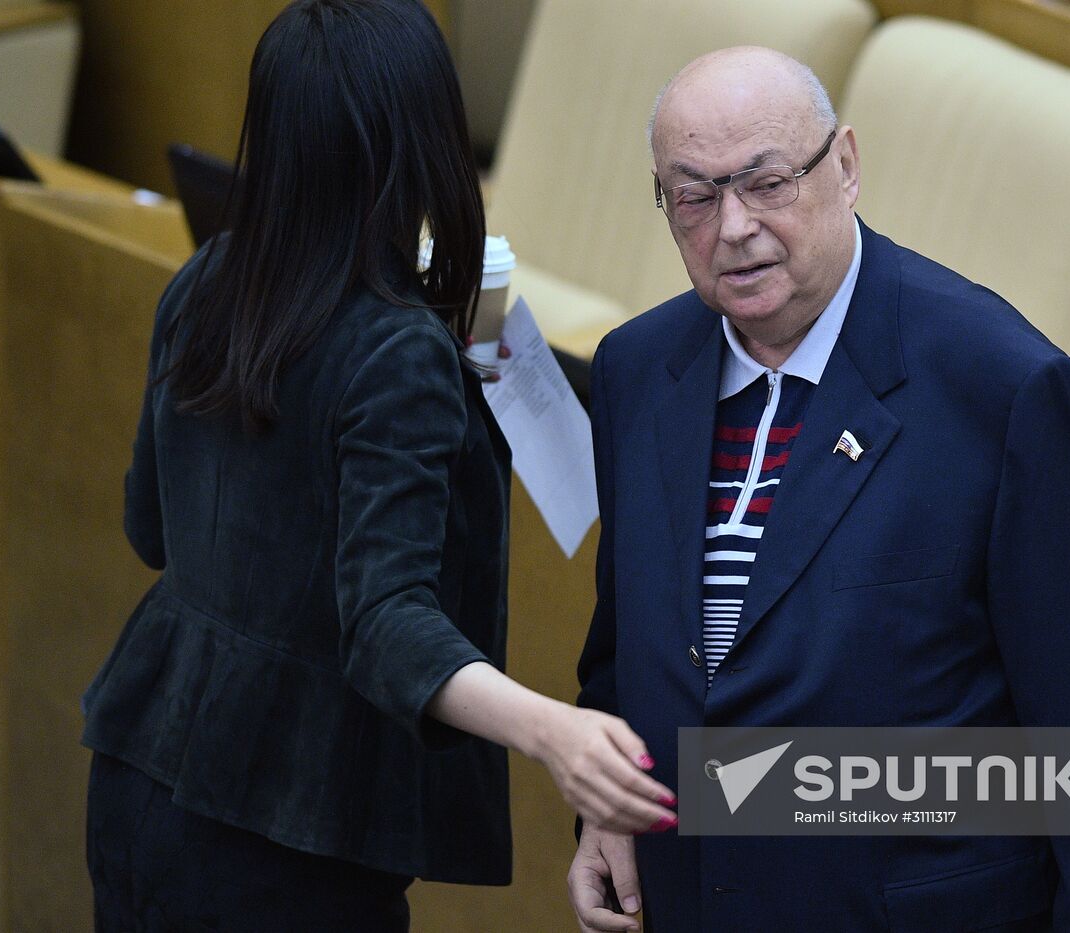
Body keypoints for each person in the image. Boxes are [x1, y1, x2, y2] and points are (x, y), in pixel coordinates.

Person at [80, 2, 675, 930]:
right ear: (422, 139)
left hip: (135, 776)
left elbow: (149, 529)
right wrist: (557, 731)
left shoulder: (206, 276)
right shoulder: (397, 352)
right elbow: (387, 625)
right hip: (286, 836)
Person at [569, 47, 1070, 932]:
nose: (733, 226)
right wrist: (607, 810)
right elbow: (623, 660)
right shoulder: (636, 370)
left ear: (845, 166)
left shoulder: (1005, 392)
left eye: (767, 183)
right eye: (693, 196)